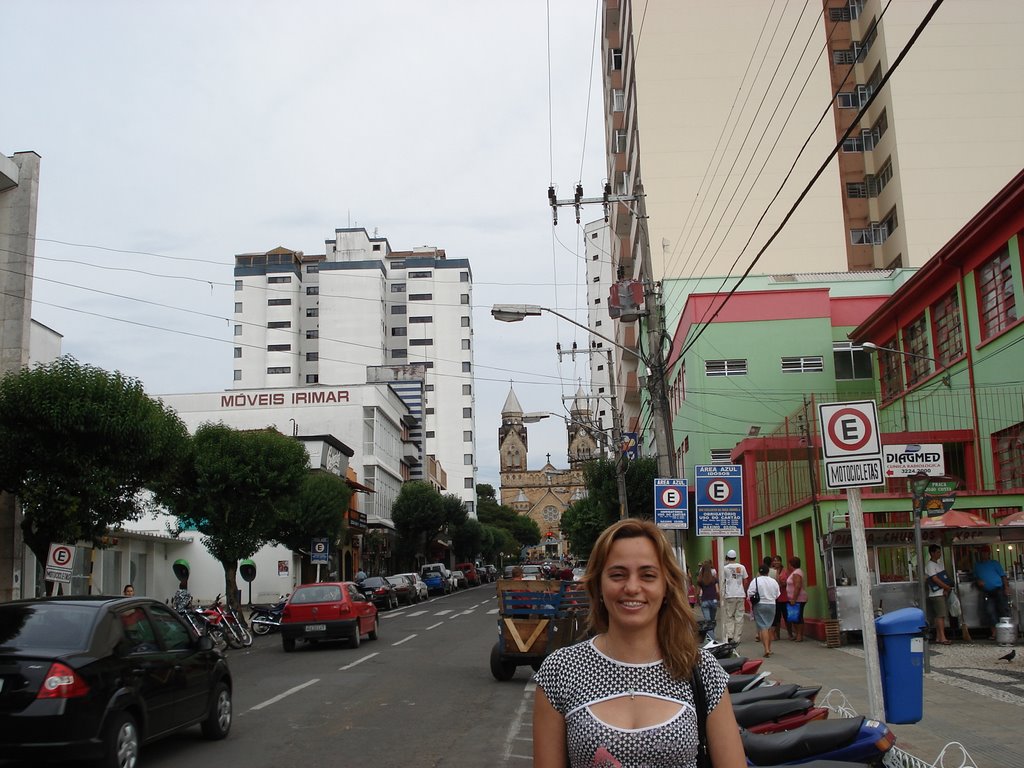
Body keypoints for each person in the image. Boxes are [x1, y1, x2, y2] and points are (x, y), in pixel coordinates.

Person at [532, 519, 745, 768]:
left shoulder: (700, 667)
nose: (632, 587)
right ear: (599, 585)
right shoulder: (560, 670)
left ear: (666, 586)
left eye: (648, 575)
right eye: (617, 574)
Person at [973, 547, 1010, 639]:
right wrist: (978, 581)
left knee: (1003, 610)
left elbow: (1003, 576)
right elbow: (975, 578)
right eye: (982, 553)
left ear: (989, 554)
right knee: (990, 611)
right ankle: (994, 633)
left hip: (999, 590)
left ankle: (1006, 632)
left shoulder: (995, 563)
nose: (984, 554)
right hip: (987, 592)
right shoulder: (977, 565)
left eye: (986, 553)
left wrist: (1006, 588)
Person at [747, 563, 781, 657]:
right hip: (771, 605)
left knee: (763, 627)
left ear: (759, 571)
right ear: (768, 572)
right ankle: (769, 648)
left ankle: (766, 648)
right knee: (769, 626)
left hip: (759, 604)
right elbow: (777, 594)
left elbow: (750, 592)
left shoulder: (756, 580)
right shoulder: (773, 581)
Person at [924, 544, 952, 644]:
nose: (939, 554)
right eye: (938, 552)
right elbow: (935, 579)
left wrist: (946, 589)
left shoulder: (940, 564)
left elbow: (944, 576)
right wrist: (946, 587)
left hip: (942, 592)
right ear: (932, 553)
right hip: (935, 594)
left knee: (941, 615)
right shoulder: (930, 565)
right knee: (940, 615)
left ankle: (938, 636)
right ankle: (942, 637)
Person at [721, 549, 748, 644]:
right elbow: (745, 581)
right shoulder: (742, 567)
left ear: (727, 557)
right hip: (740, 595)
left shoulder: (725, 568)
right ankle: (737, 638)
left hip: (730, 595)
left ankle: (730, 635)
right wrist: (742, 590)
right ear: (735, 557)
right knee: (739, 617)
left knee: (729, 616)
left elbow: (723, 581)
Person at [785, 557, 808, 642]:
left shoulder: (796, 573)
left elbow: (797, 586)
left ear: (791, 564)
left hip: (798, 598)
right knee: (793, 617)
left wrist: (794, 598)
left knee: (798, 617)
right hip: (793, 598)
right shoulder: (795, 572)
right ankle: (797, 634)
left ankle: (799, 635)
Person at [697, 559, 719, 632]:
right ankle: (712, 636)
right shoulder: (714, 579)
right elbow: (717, 591)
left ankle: (711, 639)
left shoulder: (700, 580)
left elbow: (697, 592)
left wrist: (698, 600)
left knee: (708, 622)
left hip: (705, 601)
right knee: (712, 621)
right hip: (713, 600)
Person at [770, 555, 788, 640]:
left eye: (777, 561)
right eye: (774, 561)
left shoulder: (784, 571)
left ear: (781, 562)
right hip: (775, 598)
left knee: (786, 616)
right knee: (777, 617)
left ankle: (790, 633)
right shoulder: (772, 572)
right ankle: (777, 634)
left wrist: (781, 582)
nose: (776, 562)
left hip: (784, 596)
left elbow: (786, 582)